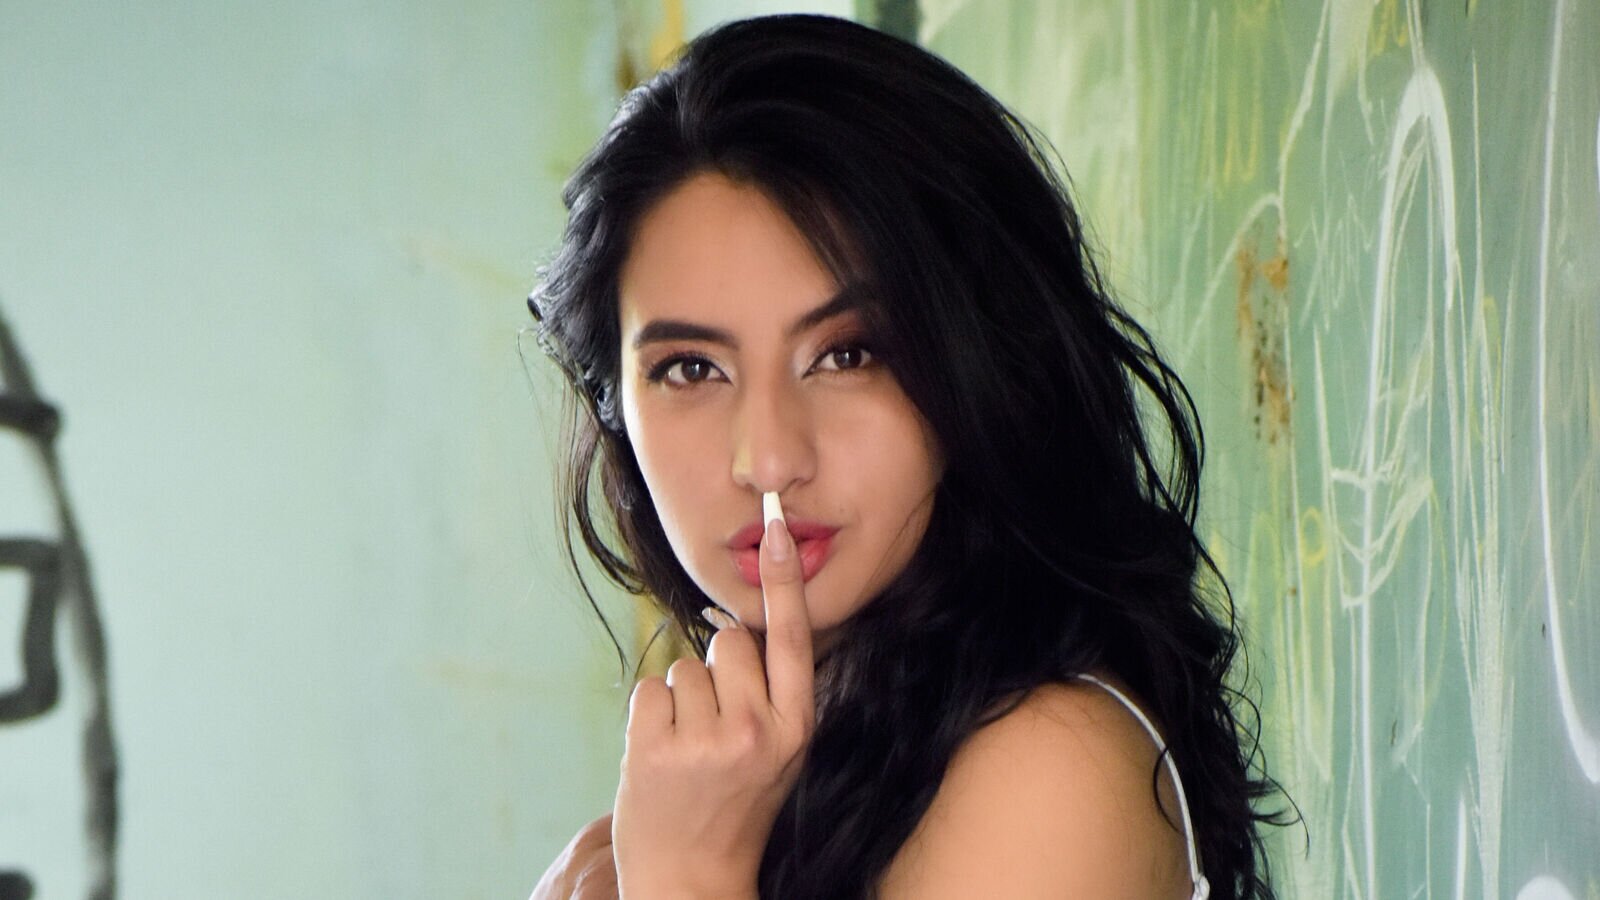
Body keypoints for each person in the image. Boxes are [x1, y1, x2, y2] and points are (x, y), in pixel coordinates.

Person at [527, 13, 1283, 899]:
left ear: (976, 358)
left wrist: (688, 877)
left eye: (847, 354)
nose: (768, 460)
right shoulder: (757, 777)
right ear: (617, 406)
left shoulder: (1047, 769)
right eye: (691, 368)